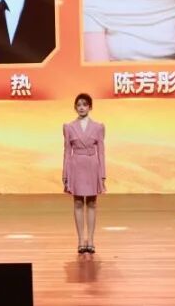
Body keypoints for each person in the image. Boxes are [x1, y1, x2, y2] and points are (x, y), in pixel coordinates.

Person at [62, 93, 106, 254]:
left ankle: (91, 240)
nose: (81, 108)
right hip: (76, 166)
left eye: (85, 105)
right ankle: (81, 240)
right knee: (78, 203)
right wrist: (65, 173)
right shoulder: (68, 127)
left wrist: (102, 174)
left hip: (92, 166)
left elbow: (101, 152)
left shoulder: (99, 127)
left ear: (90, 107)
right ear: (75, 107)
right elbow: (67, 152)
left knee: (92, 203)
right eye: (79, 105)